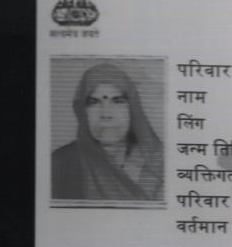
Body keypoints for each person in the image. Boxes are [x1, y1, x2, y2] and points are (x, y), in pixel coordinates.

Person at [50, 62, 164, 203]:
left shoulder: (158, 162)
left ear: (133, 108)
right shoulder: (61, 163)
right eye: (94, 102)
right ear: (82, 112)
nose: (106, 114)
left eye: (117, 101)